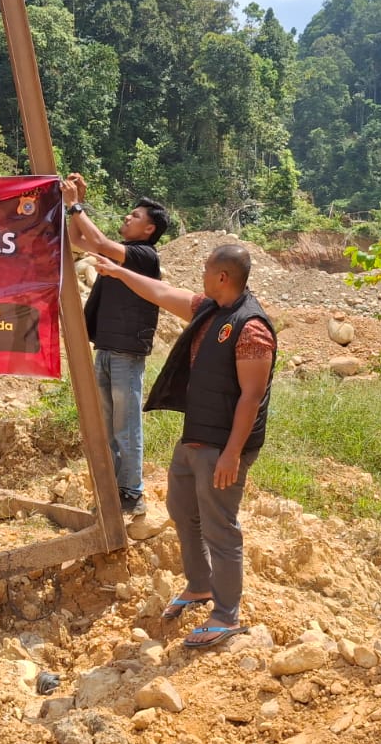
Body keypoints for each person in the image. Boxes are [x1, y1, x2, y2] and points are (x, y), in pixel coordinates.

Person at [93, 243, 277, 648]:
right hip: (195, 435)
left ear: (222, 277)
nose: (201, 275)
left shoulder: (252, 327)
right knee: (181, 509)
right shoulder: (210, 309)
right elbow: (161, 292)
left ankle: (226, 615)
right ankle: (200, 585)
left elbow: (251, 397)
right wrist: (119, 272)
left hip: (223, 445)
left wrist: (231, 453)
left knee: (220, 528)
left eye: (206, 270)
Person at [60, 174, 168, 516]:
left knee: (126, 426)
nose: (127, 217)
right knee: (106, 425)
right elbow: (79, 239)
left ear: (149, 230)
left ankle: (133, 494)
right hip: (106, 348)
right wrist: (74, 206)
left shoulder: (144, 256)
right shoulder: (125, 254)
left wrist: (77, 204)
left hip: (126, 353)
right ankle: (112, 492)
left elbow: (100, 243)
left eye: (134, 216)